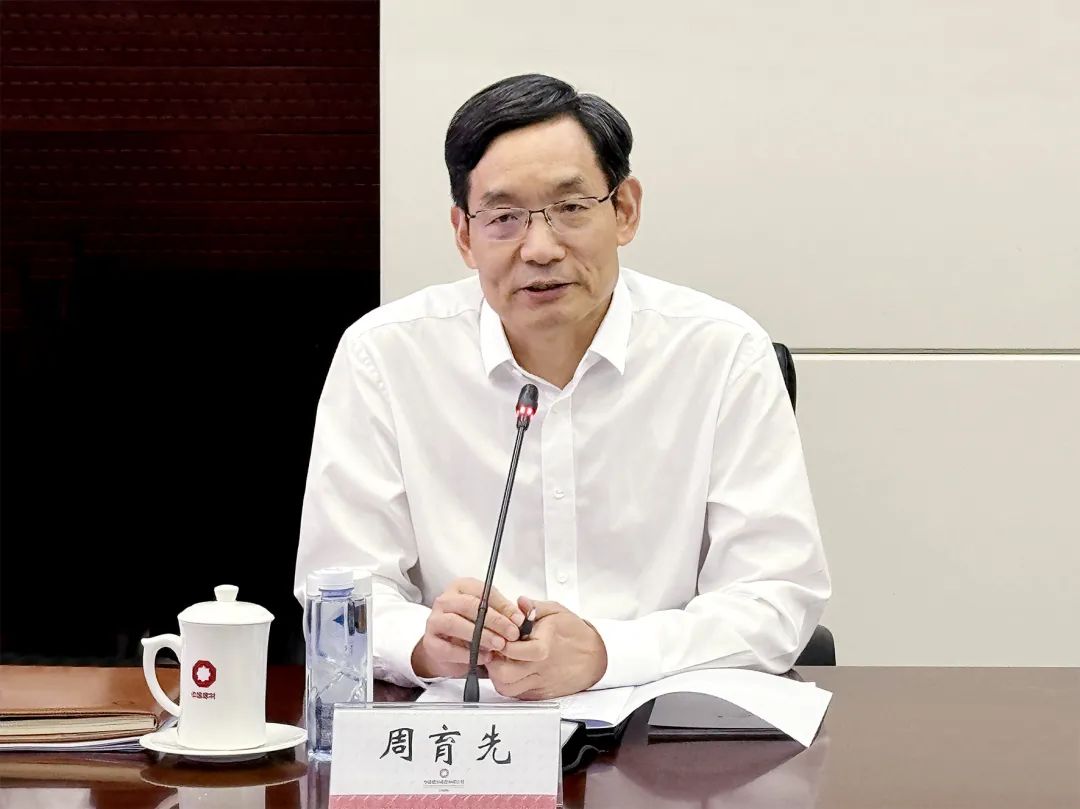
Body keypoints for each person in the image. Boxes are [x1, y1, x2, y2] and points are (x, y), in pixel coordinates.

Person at [294, 74, 830, 700]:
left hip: (662, 725)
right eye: (504, 218)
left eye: (571, 209)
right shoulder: (384, 356)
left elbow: (774, 597)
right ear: (464, 234)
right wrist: (421, 643)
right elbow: (341, 591)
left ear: (625, 210)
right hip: (466, 728)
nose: (541, 248)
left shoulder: (722, 352)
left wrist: (606, 654)